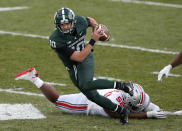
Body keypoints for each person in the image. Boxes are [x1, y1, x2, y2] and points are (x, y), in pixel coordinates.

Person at [48, 7, 134, 124]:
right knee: (92, 96)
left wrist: (96, 28)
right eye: (62, 25)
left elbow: (90, 20)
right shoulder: (56, 39)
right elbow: (78, 57)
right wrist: (93, 40)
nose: (65, 27)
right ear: (57, 25)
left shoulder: (80, 21)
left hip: (85, 57)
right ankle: (121, 111)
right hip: (73, 64)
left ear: (73, 21)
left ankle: (122, 85)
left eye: (67, 23)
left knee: (86, 83)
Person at [15, 67, 166, 121]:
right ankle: (34, 77)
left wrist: (154, 110)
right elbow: (116, 114)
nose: (139, 108)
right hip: (90, 99)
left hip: (100, 87)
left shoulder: (138, 95)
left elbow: (149, 105)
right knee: (58, 101)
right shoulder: (113, 102)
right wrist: (146, 116)